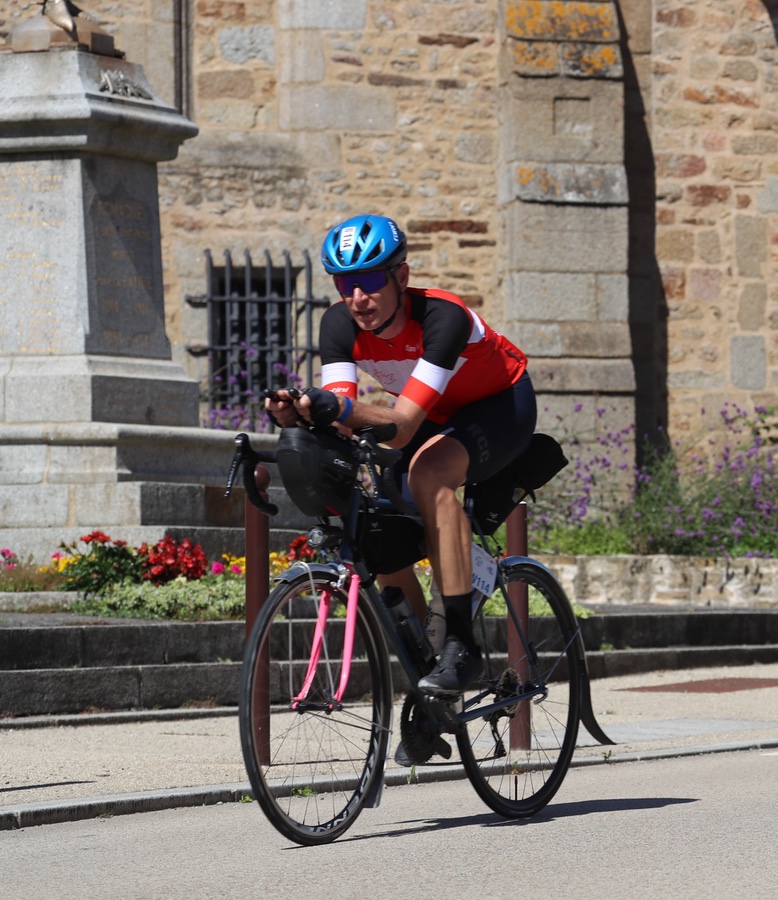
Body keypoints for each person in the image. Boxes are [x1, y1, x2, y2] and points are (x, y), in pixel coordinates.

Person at [265, 214, 537, 700]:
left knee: (430, 473)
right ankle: (428, 670)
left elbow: (404, 423)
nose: (357, 297)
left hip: (499, 405)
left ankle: (460, 645)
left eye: (370, 281)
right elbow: (342, 415)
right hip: (434, 415)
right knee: (375, 525)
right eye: (345, 284)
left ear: (401, 277)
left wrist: (336, 408)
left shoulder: (443, 317)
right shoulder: (339, 323)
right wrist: (301, 415)